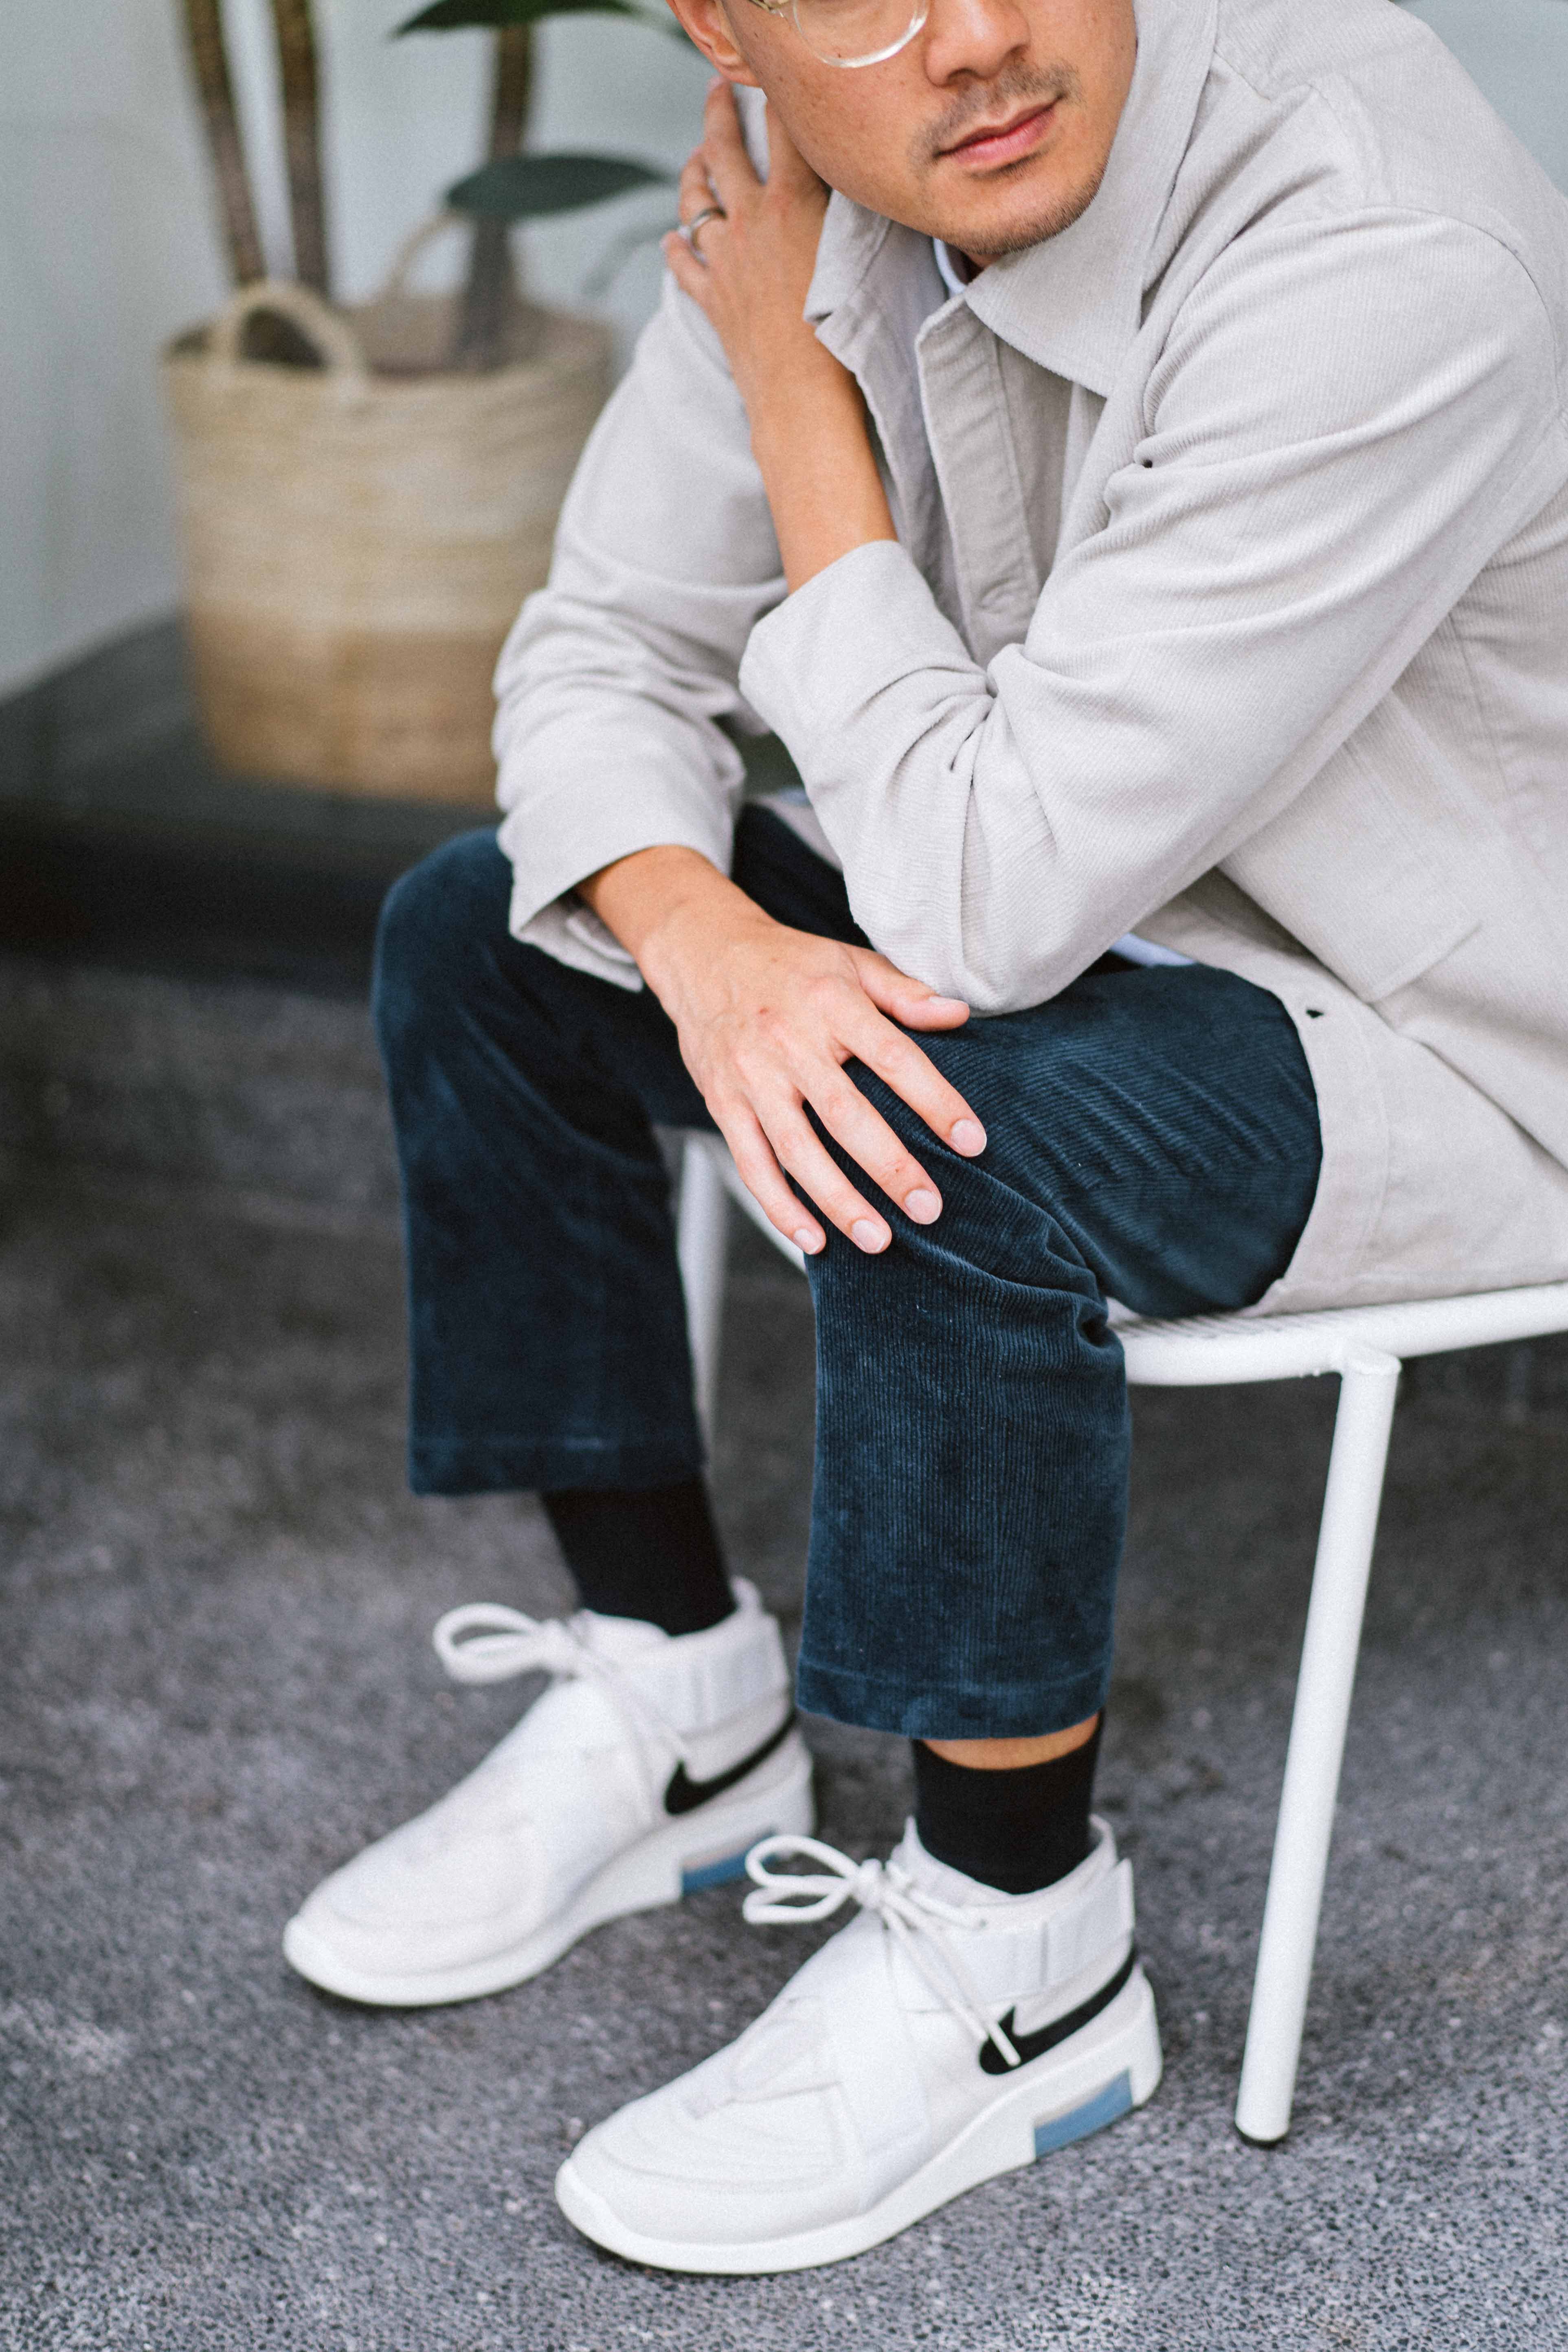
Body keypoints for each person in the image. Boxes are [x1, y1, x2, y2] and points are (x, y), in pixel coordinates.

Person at [283, 0, 1568, 2274]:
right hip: (1047, 894)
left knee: (938, 1114)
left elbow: (982, 897)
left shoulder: (1373, 239)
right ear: (719, 27)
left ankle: (1020, 1952)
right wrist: (706, 943)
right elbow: (599, 655)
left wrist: (798, 396)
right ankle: (682, 1699)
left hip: (1443, 1027)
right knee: (494, 931)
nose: (974, 40)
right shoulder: (815, 191)